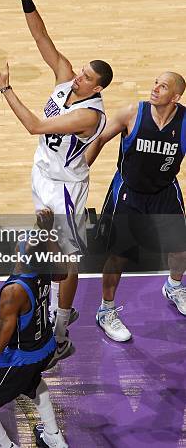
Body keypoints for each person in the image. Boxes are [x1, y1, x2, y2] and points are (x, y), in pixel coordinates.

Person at [0, 0, 113, 365]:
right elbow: (42, 37)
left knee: (67, 260)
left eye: (86, 77)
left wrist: (6, 89)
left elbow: (36, 127)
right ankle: (42, 308)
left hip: (65, 190)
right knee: (46, 247)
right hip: (41, 174)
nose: (78, 78)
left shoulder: (91, 114)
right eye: (81, 71)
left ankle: (61, 330)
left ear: (97, 87)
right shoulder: (66, 79)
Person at [86, 72, 186, 342]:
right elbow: (99, 138)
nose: (154, 89)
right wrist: (81, 169)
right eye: (155, 82)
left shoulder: (184, 121)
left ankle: (174, 287)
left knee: (181, 248)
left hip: (164, 191)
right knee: (119, 256)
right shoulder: (133, 112)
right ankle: (105, 310)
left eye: (162, 87)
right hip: (129, 192)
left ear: (175, 97)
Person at [0, 215, 68, 448]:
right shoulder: (46, 269)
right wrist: (47, 232)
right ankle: (54, 437)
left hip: (22, 358)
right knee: (33, 382)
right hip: (46, 346)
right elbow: (63, 272)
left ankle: (5, 446)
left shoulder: (14, 292)